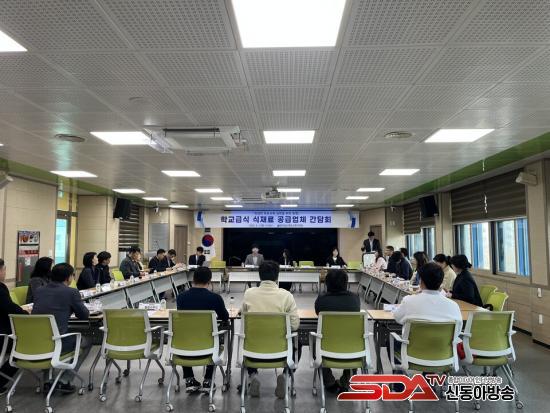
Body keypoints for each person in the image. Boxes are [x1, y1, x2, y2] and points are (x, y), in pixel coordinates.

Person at [241, 261, 299, 399]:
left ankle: (253, 376)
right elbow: (295, 325)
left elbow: (243, 317)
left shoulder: (249, 294)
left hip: (253, 351)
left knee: (248, 338)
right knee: (298, 342)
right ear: (277, 277)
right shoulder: (286, 296)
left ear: (259, 276)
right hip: (281, 352)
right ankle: (285, 375)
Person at [32, 263, 91, 393]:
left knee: (48, 334)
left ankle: (47, 380)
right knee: (87, 341)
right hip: (57, 342)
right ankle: (64, 380)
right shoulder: (71, 292)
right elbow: (84, 315)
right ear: (68, 277)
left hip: (35, 342)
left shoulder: (39, 290)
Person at [176, 267, 229, 393]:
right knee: (215, 339)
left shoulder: (181, 297)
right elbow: (225, 317)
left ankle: (189, 379)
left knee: (185, 336)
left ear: (193, 280)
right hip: (208, 345)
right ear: (209, 281)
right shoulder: (215, 298)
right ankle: (208, 380)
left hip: (185, 346)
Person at [314, 269, 360, 393]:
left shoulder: (321, 299)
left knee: (315, 342)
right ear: (346, 283)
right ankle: (346, 381)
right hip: (352, 348)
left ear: (327, 283)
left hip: (326, 347)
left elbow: (317, 312)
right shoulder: (355, 299)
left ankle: (329, 382)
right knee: (357, 341)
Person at [393, 262, 462, 325]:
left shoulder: (408, 301)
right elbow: (458, 327)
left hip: (417, 335)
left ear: (421, 281)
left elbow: (397, 317)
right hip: (444, 335)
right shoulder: (454, 306)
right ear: (441, 282)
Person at [0, 259, 27, 392]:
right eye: (4, 270)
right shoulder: (0, 289)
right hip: (3, 335)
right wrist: (25, 313)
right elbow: (10, 308)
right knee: (24, 348)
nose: (5, 273)